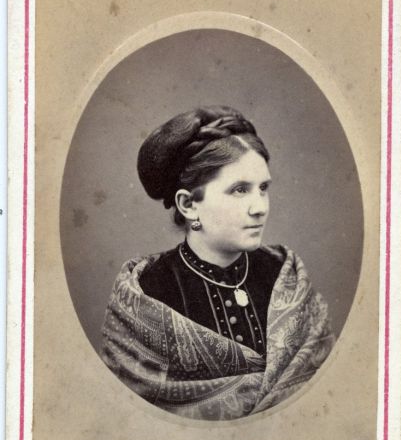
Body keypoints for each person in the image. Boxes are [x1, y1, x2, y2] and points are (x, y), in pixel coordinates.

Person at [101, 106, 335, 421]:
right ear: (188, 205)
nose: (259, 207)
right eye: (239, 190)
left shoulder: (284, 274)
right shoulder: (147, 291)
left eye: (263, 188)